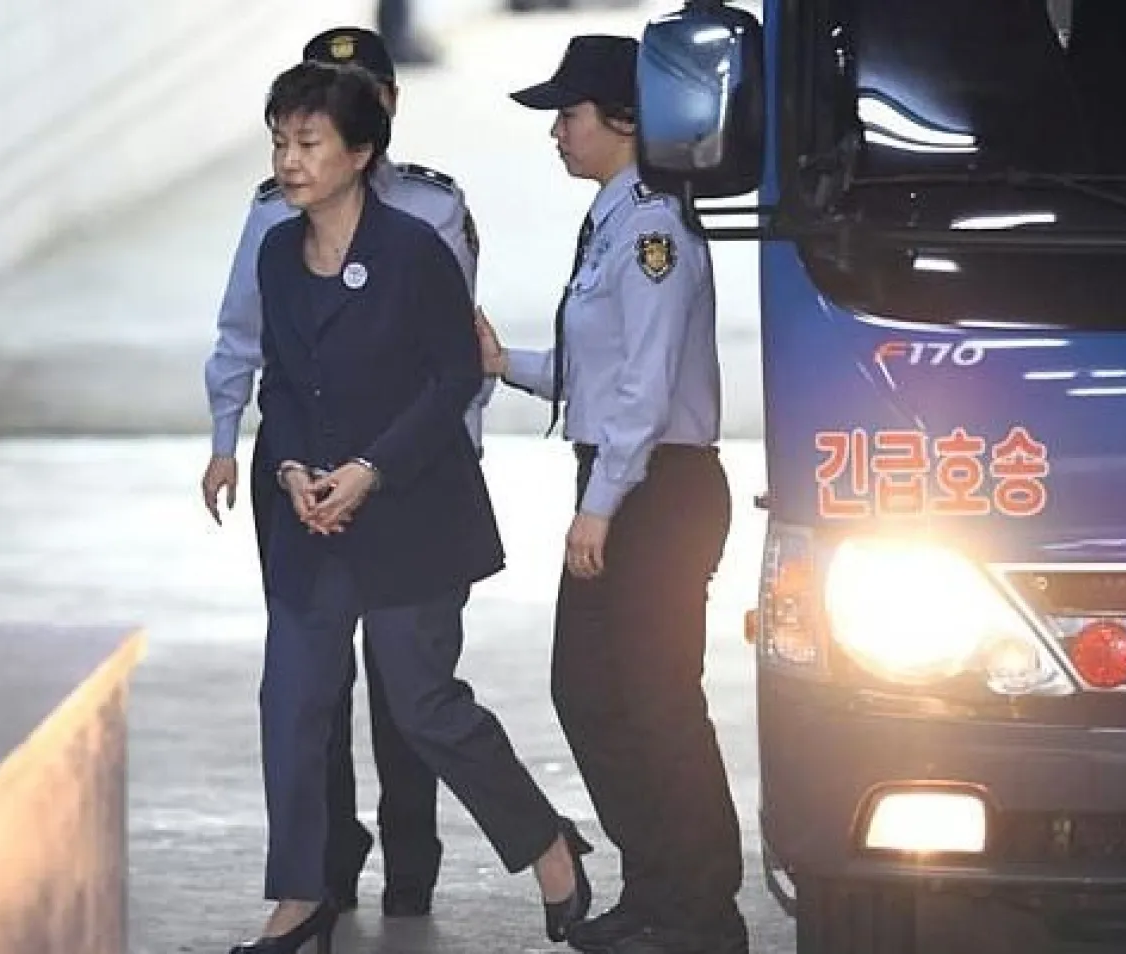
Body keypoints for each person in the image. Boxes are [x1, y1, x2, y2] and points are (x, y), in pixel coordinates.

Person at [227, 60, 590, 954]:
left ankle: (545, 840)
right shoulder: (277, 250)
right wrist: (288, 476)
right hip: (311, 520)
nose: (291, 159)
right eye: (280, 141)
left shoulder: (414, 249)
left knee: (424, 706)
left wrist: (368, 471)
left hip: (411, 516)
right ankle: (299, 894)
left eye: (308, 143)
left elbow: (455, 377)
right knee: (294, 700)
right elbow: (286, 384)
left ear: (360, 152)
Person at [201, 26, 490, 917]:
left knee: (410, 684)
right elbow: (244, 336)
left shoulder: (433, 212)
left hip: (406, 472)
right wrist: (230, 440)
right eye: (290, 126)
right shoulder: (272, 211)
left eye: (339, 101)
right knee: (308, 681)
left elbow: (453, 360)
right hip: (296, 465)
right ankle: (322, 869)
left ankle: (413, 858)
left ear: (381, 114)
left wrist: (434, 463)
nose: (295, 151)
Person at [474, 34, 749, 954]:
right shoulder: (613, 222)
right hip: (623, 475)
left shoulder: (657, 230)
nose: (557, 132)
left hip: (657, 488)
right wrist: (504, 362)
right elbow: (598, 372)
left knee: (657, 696)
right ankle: (656, 885)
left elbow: (645, 387)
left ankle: (702, 911)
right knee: (589, 690)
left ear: (622, 121)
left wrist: (602, 505)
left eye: (569, 115)